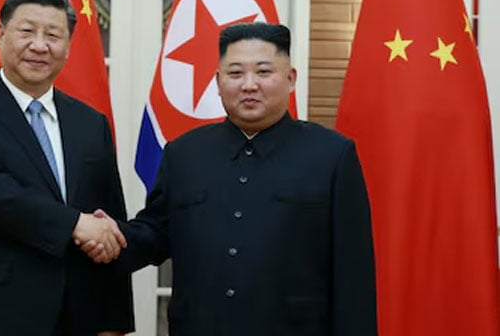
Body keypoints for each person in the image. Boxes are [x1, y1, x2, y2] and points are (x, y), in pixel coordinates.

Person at [85, 22, 377, 335]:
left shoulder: (332, 155)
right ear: (218, 81)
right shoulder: (184, 153)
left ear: (291, 79)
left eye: (264, 72)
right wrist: (109, 239)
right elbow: (156, 232)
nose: (249, 85)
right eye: (235, 73)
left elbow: (353, 275)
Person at [0, 0, 134, 336]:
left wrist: (114, 321)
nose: (39, 45)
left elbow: (107, 218)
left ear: (68, 47)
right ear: (0, 35)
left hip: (78, 315)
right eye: (26, 31)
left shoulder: (91, 122)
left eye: (53, 35)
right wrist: (73, 223)